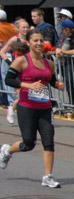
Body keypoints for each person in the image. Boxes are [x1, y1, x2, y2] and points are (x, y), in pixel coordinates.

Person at [0, 28, 65, 188]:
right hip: (27, 107)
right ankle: (7, 151)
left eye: (41, 41)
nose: (39, 43)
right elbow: (9, 79)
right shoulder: (22, 61)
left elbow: (51, 80)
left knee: (48, 141)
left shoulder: (48, 63)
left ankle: (48, 176)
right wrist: (27, 85)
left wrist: (57, 84)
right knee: (28, 143)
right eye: (35, 41)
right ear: (28, 43)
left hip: (45, 107)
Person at [2, 19, 31, 124]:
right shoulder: (14, 39)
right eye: (23, 27)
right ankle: (13, 109)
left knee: (27, 95)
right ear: (18, 29)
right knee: (22, 95)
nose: (26, 29)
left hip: (29, 70)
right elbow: (2, 52)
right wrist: (9, 62)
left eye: (27, 27)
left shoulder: (30, 39)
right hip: (18, 72)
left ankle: (13, 108)